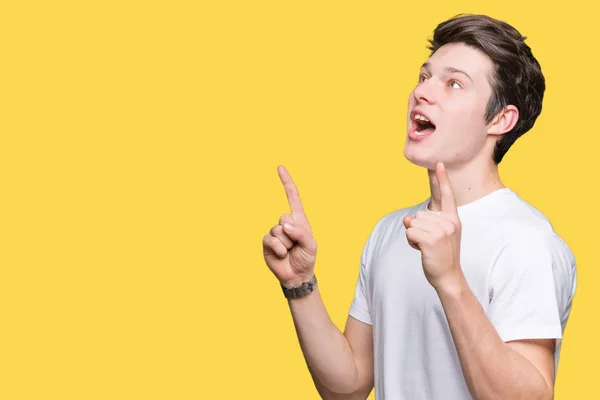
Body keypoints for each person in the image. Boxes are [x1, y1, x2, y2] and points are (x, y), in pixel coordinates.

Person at [262, 13, 577, 400]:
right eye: (425, 76)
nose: (422, 92)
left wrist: (450, 279)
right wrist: (300, 285)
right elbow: (349, 386)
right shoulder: (391, 230)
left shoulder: (527, 241)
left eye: (454, 84)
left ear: (500, 119)